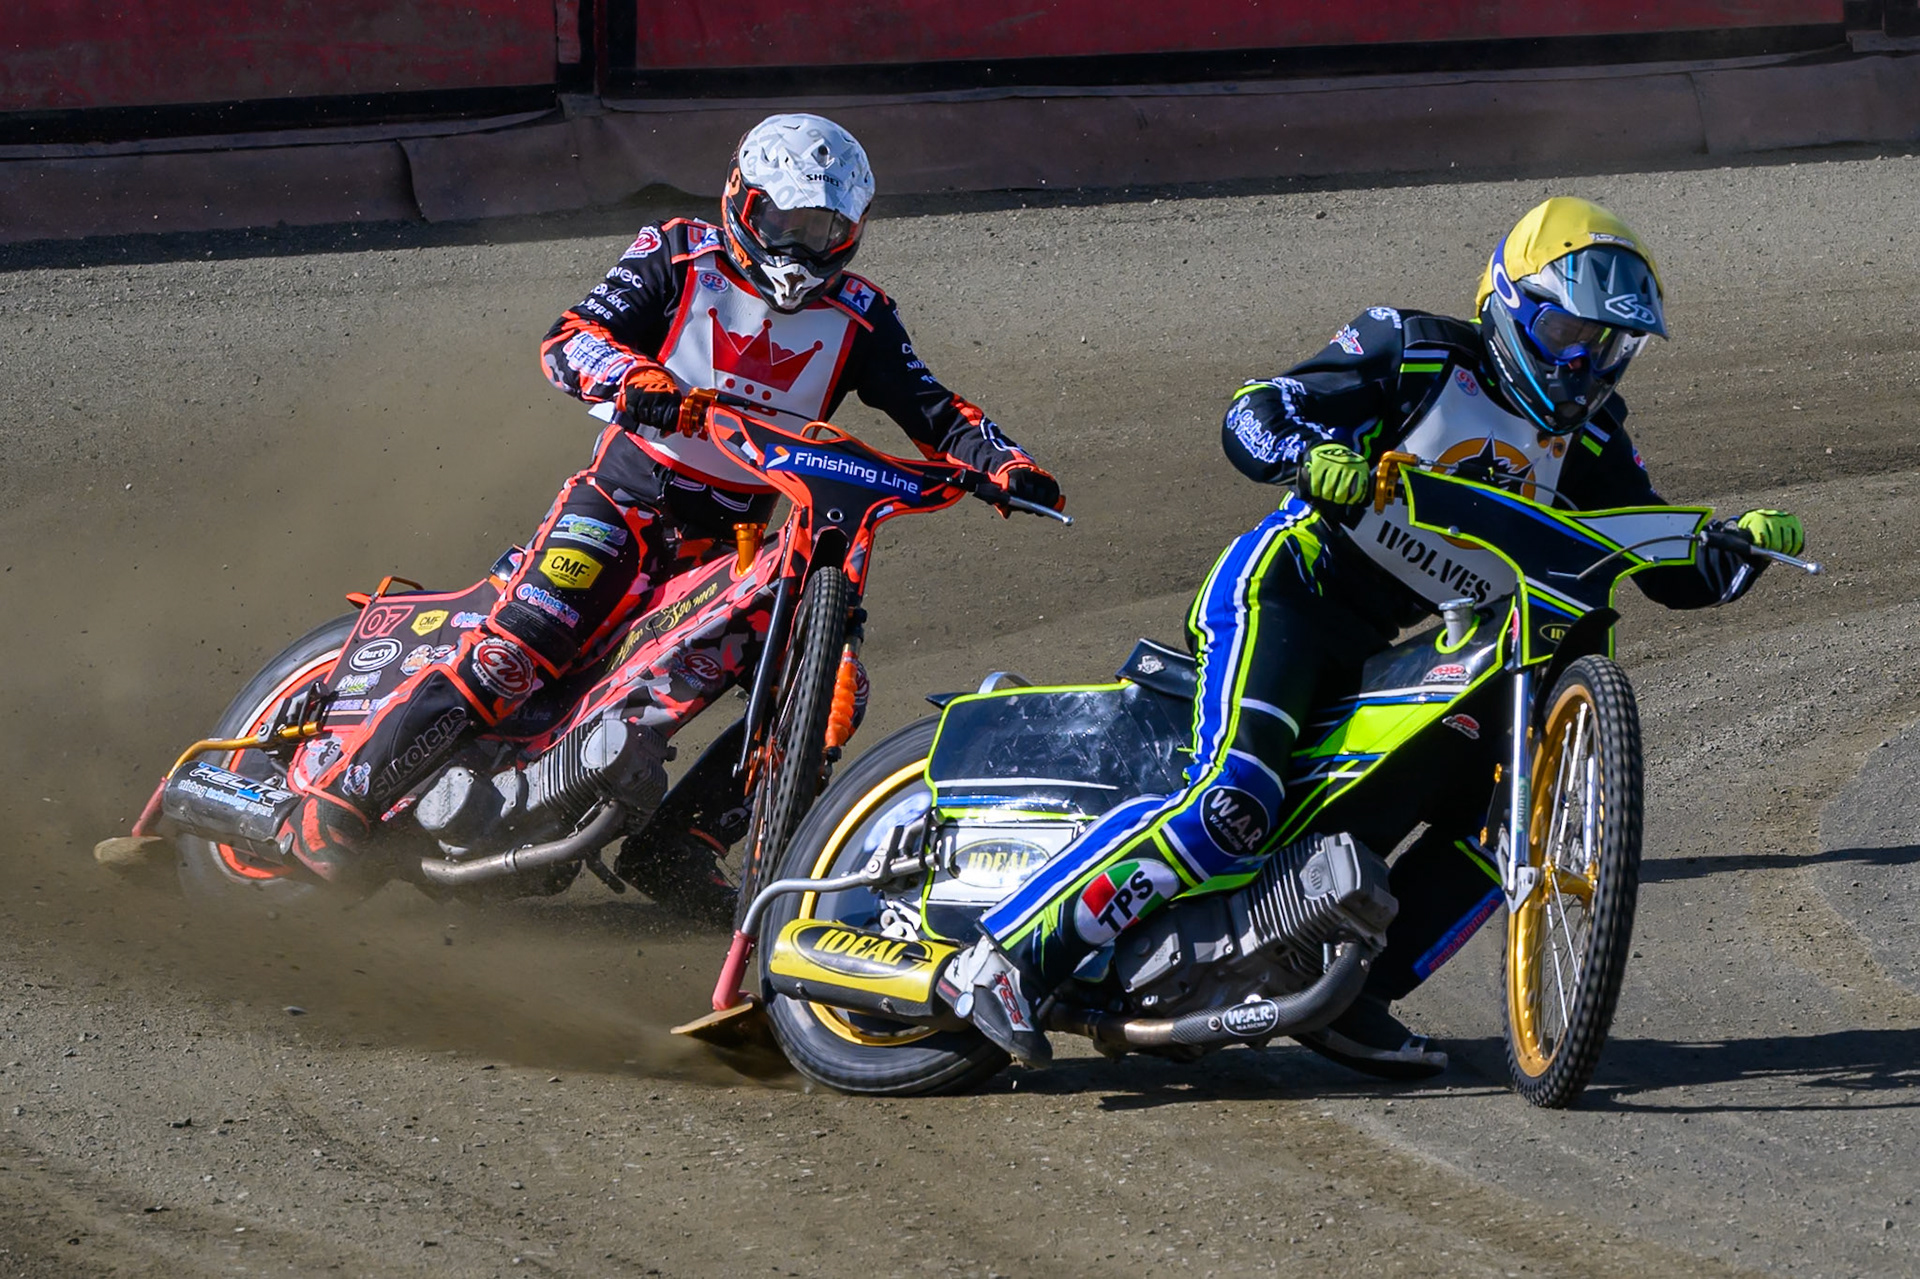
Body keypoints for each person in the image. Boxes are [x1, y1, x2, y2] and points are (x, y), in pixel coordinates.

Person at [941, 196, 1805, 1069]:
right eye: (1563, 329)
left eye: (1604, 344)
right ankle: (1001, 958)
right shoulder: (1415, 348)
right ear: (1507, 301)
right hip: (1291, 589)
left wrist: (1734, 547)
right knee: (1233, 803)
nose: (1581, 361)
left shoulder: (1593, 438)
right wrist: (1309, 454)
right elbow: (1254, 410)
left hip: (1394, 646)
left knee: (1500, 823)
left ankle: (1351, 992)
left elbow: (1652, 560)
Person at [280, 113, 1062, 898]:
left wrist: (1001, 462)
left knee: (827, 695)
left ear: (852, 231)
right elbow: (571, 337)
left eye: (822, 228)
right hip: (623, 504)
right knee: (514, 651)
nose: (798, 246)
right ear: (741, 201)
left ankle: (679, 843)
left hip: (741, 543)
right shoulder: (678, 253)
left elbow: (934, 409)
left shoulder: (862, 315)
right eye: (782, 220)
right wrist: (636, 381)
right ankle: (343, 797)